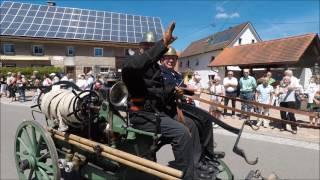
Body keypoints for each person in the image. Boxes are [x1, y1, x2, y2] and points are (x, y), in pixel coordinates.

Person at [122, 24, 211, 180]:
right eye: (147, 46)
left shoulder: (154, 67)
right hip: (143, 115)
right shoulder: (132, 63)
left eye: (152, 45)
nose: (150, 48)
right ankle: (187, 176)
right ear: (141, 46)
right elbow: (140, 67)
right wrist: (162, 44)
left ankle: (194, 164)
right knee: (181, 133)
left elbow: (159, 91)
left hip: (158, 112)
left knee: (192, 124)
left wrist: (175, 90)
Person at [160, 46, 217, 173]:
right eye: (168, 58)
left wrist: (191, 91)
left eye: (173, 58)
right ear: (162, 59)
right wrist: (175, 91)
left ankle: (207, 153)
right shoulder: (159, 73)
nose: (171, 61)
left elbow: (184, 88)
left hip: (182, 106)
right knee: (191, 125)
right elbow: (162, 92)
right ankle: (195, 162)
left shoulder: (176, 74)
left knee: (206, 118)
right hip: (169, 110)